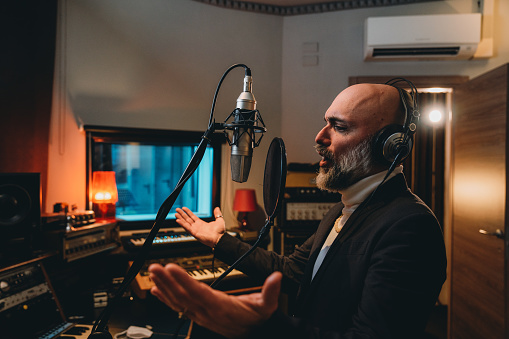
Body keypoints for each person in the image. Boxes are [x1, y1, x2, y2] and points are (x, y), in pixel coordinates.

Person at [148, 83, 447, 339]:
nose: (319, 137)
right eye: (326, 123)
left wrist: (261, 325)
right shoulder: (342, 211)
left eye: (339, 127)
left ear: (388, 146)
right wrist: (219, 240)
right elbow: (291, 271)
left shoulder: (410, 227)